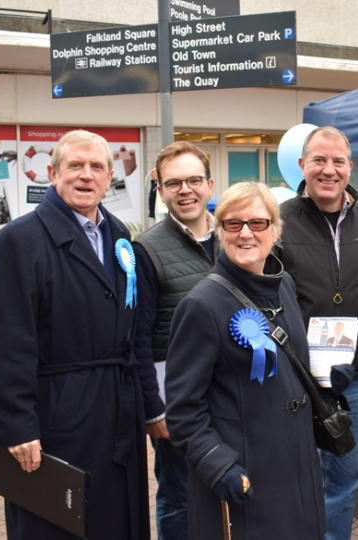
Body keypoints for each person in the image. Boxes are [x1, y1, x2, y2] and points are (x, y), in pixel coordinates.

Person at [0, 130, 149, 540]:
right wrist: (17, 425)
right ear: (51, 172)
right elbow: (8, 340)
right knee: (56, 523)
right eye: (74, 166)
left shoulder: (119, 236)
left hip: (117, 406)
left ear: (110, 176)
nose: (86, 176)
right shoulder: (18, 241)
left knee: (115, 521)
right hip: (57, 413)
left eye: (96, 167)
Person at [165, 182, 326, 539]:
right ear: (219, 230)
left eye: (258, 223)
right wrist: (218, 465)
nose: (246, 234)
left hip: (296, 469)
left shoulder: (282, 284)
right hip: (245, 477)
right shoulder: (202, 305)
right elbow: (181, 410)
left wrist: (327, 381)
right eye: (233, 224)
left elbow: (289, 368)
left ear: (275, 230)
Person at [275, 126, 358, 540]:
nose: (328, 170)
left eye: (337, 161)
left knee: (345, 480)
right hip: (291, 377)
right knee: (290, 478)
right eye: (319, 160)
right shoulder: (276, 224)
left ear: (350, 167)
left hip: (355, 379)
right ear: (301, 166)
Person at [133, 141, 217, 540]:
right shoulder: (147, 249)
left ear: (210, 184)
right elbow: (138, 338)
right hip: (177, 400)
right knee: (179, 495)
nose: (185, 190)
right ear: (161, 190)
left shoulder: (235, 236)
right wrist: (154, 410)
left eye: (193, 180)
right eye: (174, 183)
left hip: (232, 394)